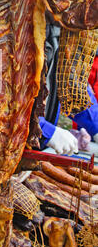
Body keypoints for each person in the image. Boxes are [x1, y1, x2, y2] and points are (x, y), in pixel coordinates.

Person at [39, 21, 98, 156]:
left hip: (29, 148)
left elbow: (72, 87)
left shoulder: (59, 27)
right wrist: (44, 129)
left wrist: (96, 126)